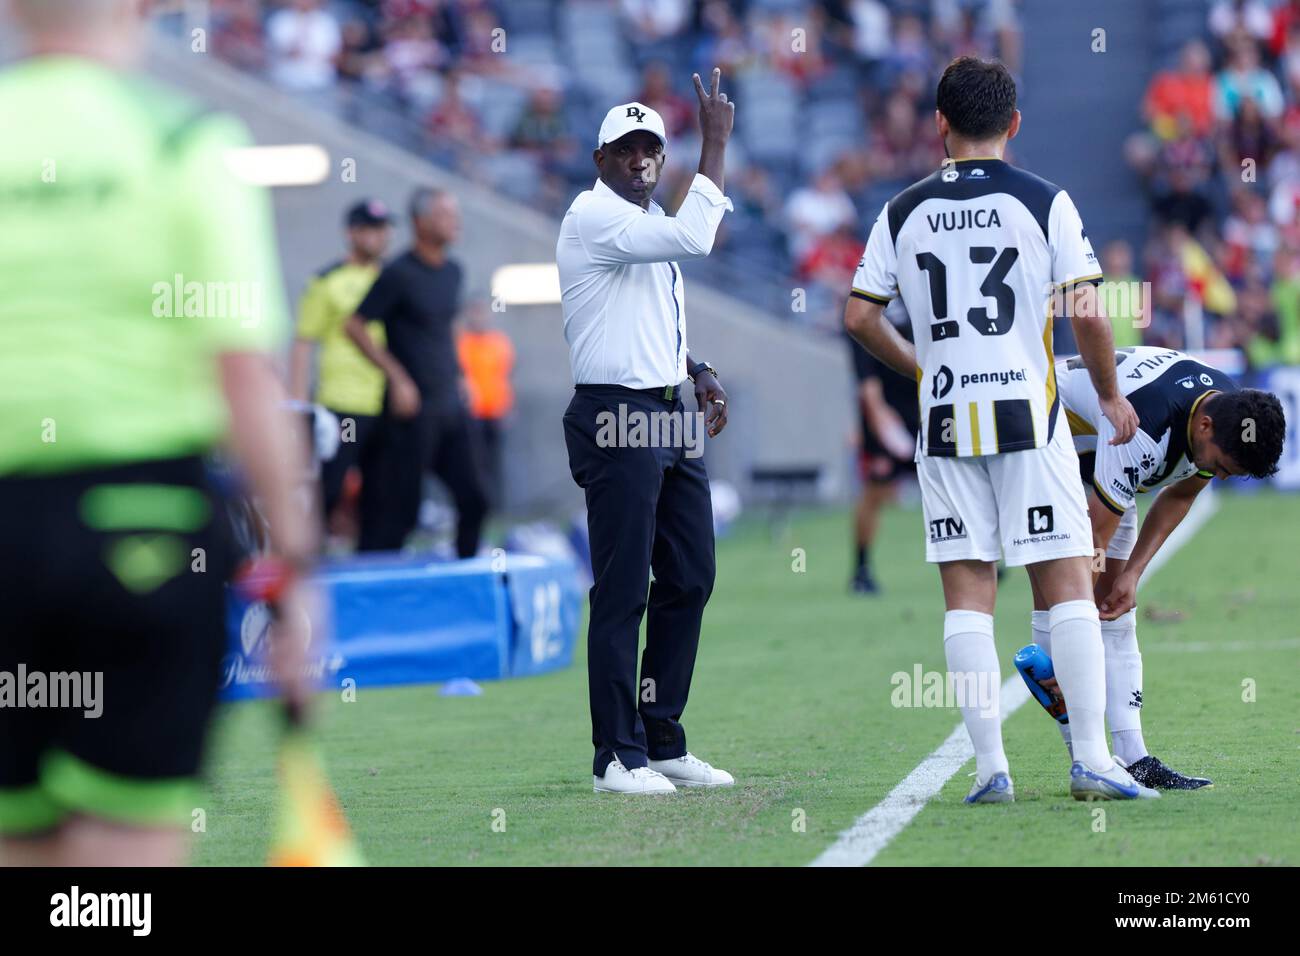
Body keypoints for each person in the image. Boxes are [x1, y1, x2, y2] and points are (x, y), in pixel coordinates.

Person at [0, 0, 315, 865]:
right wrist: (295, 564)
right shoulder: (183, 141)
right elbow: (245, 375)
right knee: (123, 853)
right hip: (144, 528)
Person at [844, 56, 1157, 803]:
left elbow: (858, 316)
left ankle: (991, 772)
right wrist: (1110, 396)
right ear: (1013, 125)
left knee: (967, 594)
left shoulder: (902, 210)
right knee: (1067, 583)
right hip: (1027, 413)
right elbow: (1086, 312)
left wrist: (919, 364)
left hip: (946, 418)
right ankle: (1091, 761)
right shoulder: (1044, 200)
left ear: (940, 125)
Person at [557, 72, 735, 794]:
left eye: (651, 150)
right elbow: (698, 238)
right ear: (601, 160)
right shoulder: (593, 215)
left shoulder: (643, 217)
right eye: (626, 150)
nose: (641, 161)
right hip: (616, 413)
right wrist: (715, 139)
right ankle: (613, 756)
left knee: (691, 576)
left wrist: (695, 367)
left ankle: (661, 739)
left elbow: (646, 310)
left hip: (667, 409)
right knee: (624, 588)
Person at [1024, 348, 1286, 788]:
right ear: (1204, 427)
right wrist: (1072, 622)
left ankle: (1134, 759)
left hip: (1101, 448)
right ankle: (1087, 760)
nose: (1217, 477)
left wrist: (1132, 575)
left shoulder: (1226, 413)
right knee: (1070, 605)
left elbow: (1179, 496)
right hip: (1043, 437)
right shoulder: (1147, 429)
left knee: (1115, 609)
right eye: (1220, 467)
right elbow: (1093, 544)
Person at [345, 188, 489, 557]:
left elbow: (445, 327)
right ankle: (375, 592)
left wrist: (460, 375)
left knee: (475, 498)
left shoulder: (454, 271)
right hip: (412, 413)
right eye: (443, 214)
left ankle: (465, 583)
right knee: (398, 513)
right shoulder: (397, 273)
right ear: (419, 222)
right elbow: (355, 326)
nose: (453, 221)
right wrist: (397, 378)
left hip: (450, 406)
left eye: (454, 213)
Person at [290, 200, 393, 527]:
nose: (380, 237)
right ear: (352, 233)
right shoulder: (327, 281)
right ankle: (310, 565)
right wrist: (298, 402)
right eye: (371, 229)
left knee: (382, 494)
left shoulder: (392, 276)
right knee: (328, 491)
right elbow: (305, 341)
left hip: (386, 399)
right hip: (342, 400)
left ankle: (375, 567)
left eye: (384, 229)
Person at [848, 299, 919, 594]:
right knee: (876, 492)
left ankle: (980, 558)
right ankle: (861, 569)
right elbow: (865, 375)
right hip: (886, 413)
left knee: (957, 483)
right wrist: (878, 417)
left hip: (926, 407)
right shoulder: (866, 300)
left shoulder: (923, 288)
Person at [456, 301, 515, 510]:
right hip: (471, 414)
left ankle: (493, 507)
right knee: (472, 465)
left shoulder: (499, 342)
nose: (479, 318)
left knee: (494, 463)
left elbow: (505, 376)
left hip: (496, 412)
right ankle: (473, 507)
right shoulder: (461, 343)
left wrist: (507, 408)